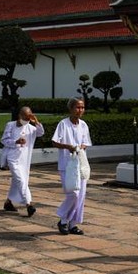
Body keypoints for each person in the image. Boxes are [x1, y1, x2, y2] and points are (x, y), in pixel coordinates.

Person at [52, 97, 93, 235]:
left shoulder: (83, 125)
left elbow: (86, 142)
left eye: (82, 107)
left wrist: (81, 146)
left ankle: (73, 224)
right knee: (73, 193)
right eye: (77, 107)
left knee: (81, 195)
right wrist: (67, 146)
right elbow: (54, 142)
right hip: (66, 164)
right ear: (71, 109)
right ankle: (63, 219)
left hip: (80, 164)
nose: (80, 110)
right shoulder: (63, 124)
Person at [1, 106, 44, 216]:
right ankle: (29, 204)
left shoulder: (31, 128)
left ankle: (8, 202)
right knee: (21, 180)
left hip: (24, 159)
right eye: (25, 117)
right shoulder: (10, 125)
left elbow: (41, 133)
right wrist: (16, 141)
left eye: (29, 117)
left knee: (17, 181)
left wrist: (36, 122)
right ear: (20, 115)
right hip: (12, 158)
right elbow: (4, 140)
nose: (27, 119)